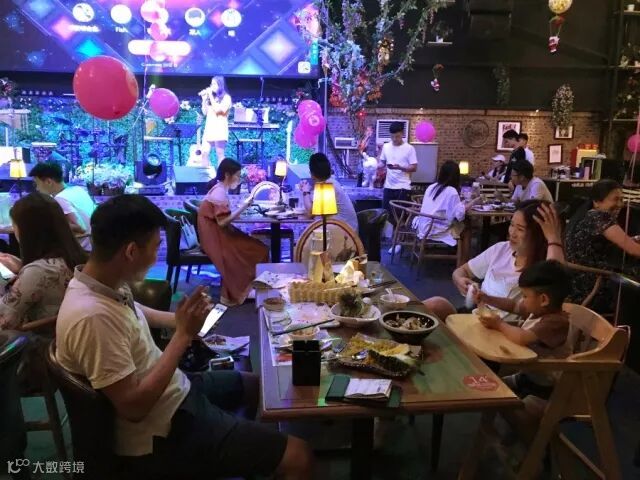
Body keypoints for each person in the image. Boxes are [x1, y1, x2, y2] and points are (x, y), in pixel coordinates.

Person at [55, 194, 312, 478]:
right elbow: (134, 407)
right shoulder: (92, 317)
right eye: (156, 246)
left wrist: (183, 321)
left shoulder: (100, 282)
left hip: (176, 390)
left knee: (256, 386)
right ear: (131, 251)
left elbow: (137, 311)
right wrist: (183, 335)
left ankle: (236, 457)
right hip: (161, 431)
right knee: (298, 456)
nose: (157, 255)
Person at [422, 200, 565, 323]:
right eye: (511, 225)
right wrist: (460, 280)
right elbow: (461, 271)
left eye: (520, 229)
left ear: (538, 235)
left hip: (501, 329)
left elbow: (554, 280)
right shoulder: (501, 249)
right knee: (435, 305)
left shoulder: (542, 268)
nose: (512, 233)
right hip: (475, 315)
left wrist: (553, 238)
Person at [476, 260, 571, 398]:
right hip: (528, 375)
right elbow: (513, 306)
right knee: (492, 387)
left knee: (518, 405)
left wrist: (499, 324)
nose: (522, 300)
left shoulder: (555, 322)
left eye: (525, 296)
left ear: (543, 300)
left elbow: (522, 338)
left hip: (546, 386)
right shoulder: (538, 310)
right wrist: (487, 299)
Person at [0, 193, 86, 330]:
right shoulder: (78, 257)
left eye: (14, 225)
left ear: (27, 231)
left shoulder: (37, 271)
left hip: (41, 340)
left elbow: (5, 320)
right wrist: (22, 269)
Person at [198, 159, 268, 306]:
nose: (238, 179)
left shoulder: (219, 189)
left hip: (217, 233)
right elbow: (222, 222)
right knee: (258, 249)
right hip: (215, 238)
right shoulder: (219, 192)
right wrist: (243, 207)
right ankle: (243, 289)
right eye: (237, 175)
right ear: (227, 175)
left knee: (256, 246)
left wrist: (239, 210)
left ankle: (248, 287)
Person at [566, 179, 640, 309]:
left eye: (622, 199)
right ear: (596, 202)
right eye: (615, 199)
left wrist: (632, 240)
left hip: (575, 286)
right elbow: (634, 250)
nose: (620, 204)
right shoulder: (600, 217)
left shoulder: (585, 216)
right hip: (597, 288)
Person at [29, 162, 95, 250]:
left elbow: (80, 228)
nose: (37, 188)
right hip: (93, 243)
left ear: (49, 182)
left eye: (37, 184)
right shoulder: (78, 189)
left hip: (81, 248)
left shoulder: (60, 198)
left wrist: (51, 223)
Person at [412, 161, 479, 245]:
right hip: (434, 229)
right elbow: (459, 214)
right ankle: (462, 254)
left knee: (461, 224)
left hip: (423, 226)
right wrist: (474, 201)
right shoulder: (451, 191)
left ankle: (456, 250)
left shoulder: (432, 187)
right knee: (466, 227)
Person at [380, 122, 418, 253]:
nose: (394, 139)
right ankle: (395, 241)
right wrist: (372, 164)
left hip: (403, 187)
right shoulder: (386, 147)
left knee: (400, 217)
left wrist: (400, 167)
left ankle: (398, 243)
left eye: (397, 136)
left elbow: (414, 167)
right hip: (388, 186)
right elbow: (382, 163)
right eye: (392, 137)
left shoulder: (409, 149)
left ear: (402, 134)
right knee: (388, 215)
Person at [300, 153, 359, 232]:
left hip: (345, 234)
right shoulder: (329, 182)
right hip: (341, 229)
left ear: (312, 173)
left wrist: (305, 191)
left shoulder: (327, 186)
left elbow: (310, 213)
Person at [201, 76, 232, 166]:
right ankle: (205, 174)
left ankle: (221, 174)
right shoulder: (212, 98)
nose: (212, 86)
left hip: (219, 129)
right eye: (211, 84)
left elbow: (218, 110)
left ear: (220, 85)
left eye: (214, 84)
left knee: (220, 155)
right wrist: (204, 100)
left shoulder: (226, 98)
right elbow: (205, 112)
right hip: (209, 128)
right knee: (204, 153)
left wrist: (210, 95)